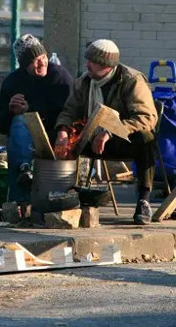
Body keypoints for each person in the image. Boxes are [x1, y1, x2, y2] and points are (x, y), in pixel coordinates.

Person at [53, 39, 159, 225]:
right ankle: (65, 196)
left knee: (146, 138)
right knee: (58, 137)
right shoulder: (84, 82)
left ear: (106, 65)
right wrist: (62, 131)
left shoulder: (131, 81)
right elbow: (69, 112)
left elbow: (146, 118)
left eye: (92, 62)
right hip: (91, 139)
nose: (87, 66)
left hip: (123, 142)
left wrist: (110, 132)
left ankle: (144, 201)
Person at [0, 34, 74, 204]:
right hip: (23, 136)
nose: (42, 63)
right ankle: (22, 182)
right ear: (24, 65)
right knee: (18, 121)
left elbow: (69, 112)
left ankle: (20, 189)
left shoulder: (59, 76)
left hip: (56, 133)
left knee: (22, 120)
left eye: (43, 57)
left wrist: (31, 110)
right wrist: (10, 111)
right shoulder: (12, 82)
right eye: (35, 60)